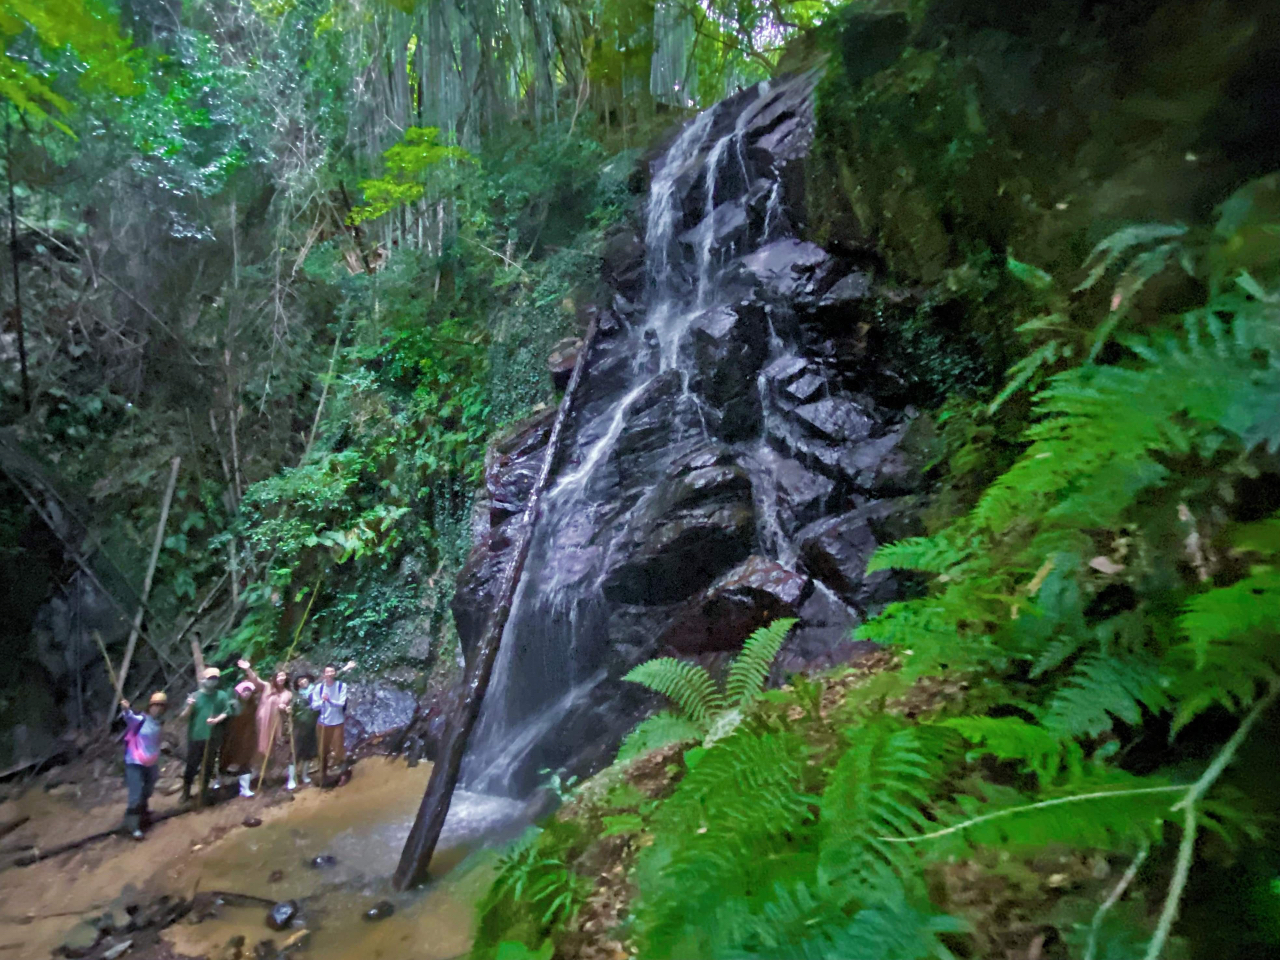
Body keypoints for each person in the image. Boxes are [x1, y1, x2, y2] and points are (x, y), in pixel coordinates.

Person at [179, 667, 237, 805]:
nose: (213, 681)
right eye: (210, 678)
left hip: (213, 737)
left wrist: (217, 720)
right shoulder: (194, 696)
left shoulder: (221, 695)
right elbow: (182, 718)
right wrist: (189, 707)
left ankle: (203, 792)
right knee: (191, 766)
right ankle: (186, 792)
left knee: (208, 765)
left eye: (215, 679)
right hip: (196, 736)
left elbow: (227, 711)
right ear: (203, 680)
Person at [238, 659, 295, 791]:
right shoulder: (268, 687)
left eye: (283, 676)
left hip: (276, 724)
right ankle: (264, 776)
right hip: (262, 723)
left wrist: (285, 709)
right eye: (279, 676)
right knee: (261, 749)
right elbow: (256, 680)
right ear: (275, 677)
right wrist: (248, 669)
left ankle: (278, 775)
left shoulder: (288, 693)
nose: (281, 678)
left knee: (275, 748)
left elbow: (287, 707)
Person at [119, 691, 168, 839]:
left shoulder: (159, 723)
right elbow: (129, 717)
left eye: (161, 706)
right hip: (135, 761)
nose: (158, 708)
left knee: (148, 789)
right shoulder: (140, 720)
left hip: (151, 761)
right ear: (150, 706)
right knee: (136, 793)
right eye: (155, 705)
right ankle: (133, 825)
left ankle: (143, 812)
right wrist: (126, 709)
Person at [309, 661, 356, 788]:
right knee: (322, 750)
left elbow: (341, 703)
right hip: (323, 723)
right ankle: (323, 775)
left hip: (337, 722)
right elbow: (313, 706)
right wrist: (321, 702)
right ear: (323, 674)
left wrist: (329, 700)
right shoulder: (318, 688)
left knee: (338, 750)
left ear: (335, 673)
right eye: (327, 672)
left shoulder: (341, 686)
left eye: (332, 672)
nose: (329, 674)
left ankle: (344, 774)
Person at [220, 678, 260, 797]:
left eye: (248, 691)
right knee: (227, 758)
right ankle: (220, 783)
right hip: (232, 737)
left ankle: (245, 788)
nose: (246, 694)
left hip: (248, 737)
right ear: (239, 693)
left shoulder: (254, 705)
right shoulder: (233, 704)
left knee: (245, 760)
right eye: (244, 691)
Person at [292, 673, 318, 785]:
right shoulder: (296, 697)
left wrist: (346, 668)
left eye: (303, 679)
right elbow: (292, 712)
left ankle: (305, 775)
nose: (302, 682)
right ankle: (291, 779)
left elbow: (329, 679)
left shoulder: (317, 690)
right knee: (296, 752)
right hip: (299, 727)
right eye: (299, 681)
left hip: (313, 725)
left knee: (309, 751)